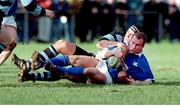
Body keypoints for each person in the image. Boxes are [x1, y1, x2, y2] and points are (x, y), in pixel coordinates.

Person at [14, 32, 154, 85]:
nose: (132, 45)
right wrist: (115, 51)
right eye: (131, 41)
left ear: (142, 47)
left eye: (137, 45)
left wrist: (136, 83)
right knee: (72, 58)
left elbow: (150, 80)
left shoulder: (142, 62)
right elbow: (100, 47)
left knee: (86, 71)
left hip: (108, 76)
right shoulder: (121, 41)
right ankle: (40, 62)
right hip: (99, 61)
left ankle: (44, 70)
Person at [12, 25, 142, 72]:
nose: (128, 37)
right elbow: (100, 44)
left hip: (99, 67)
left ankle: (34, 65)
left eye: (131, 36)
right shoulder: (118, 36)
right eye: (128, 34)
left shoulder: (135, 49)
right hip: (93, 58)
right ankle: (29, 64)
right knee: (62, 44)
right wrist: (118, 45)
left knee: (62, 66)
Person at [0, 0, 55, 65]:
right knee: (7, 42)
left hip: (8, 16)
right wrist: (45, 12)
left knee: (11, 44)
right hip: (2, 15)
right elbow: (28, 5)